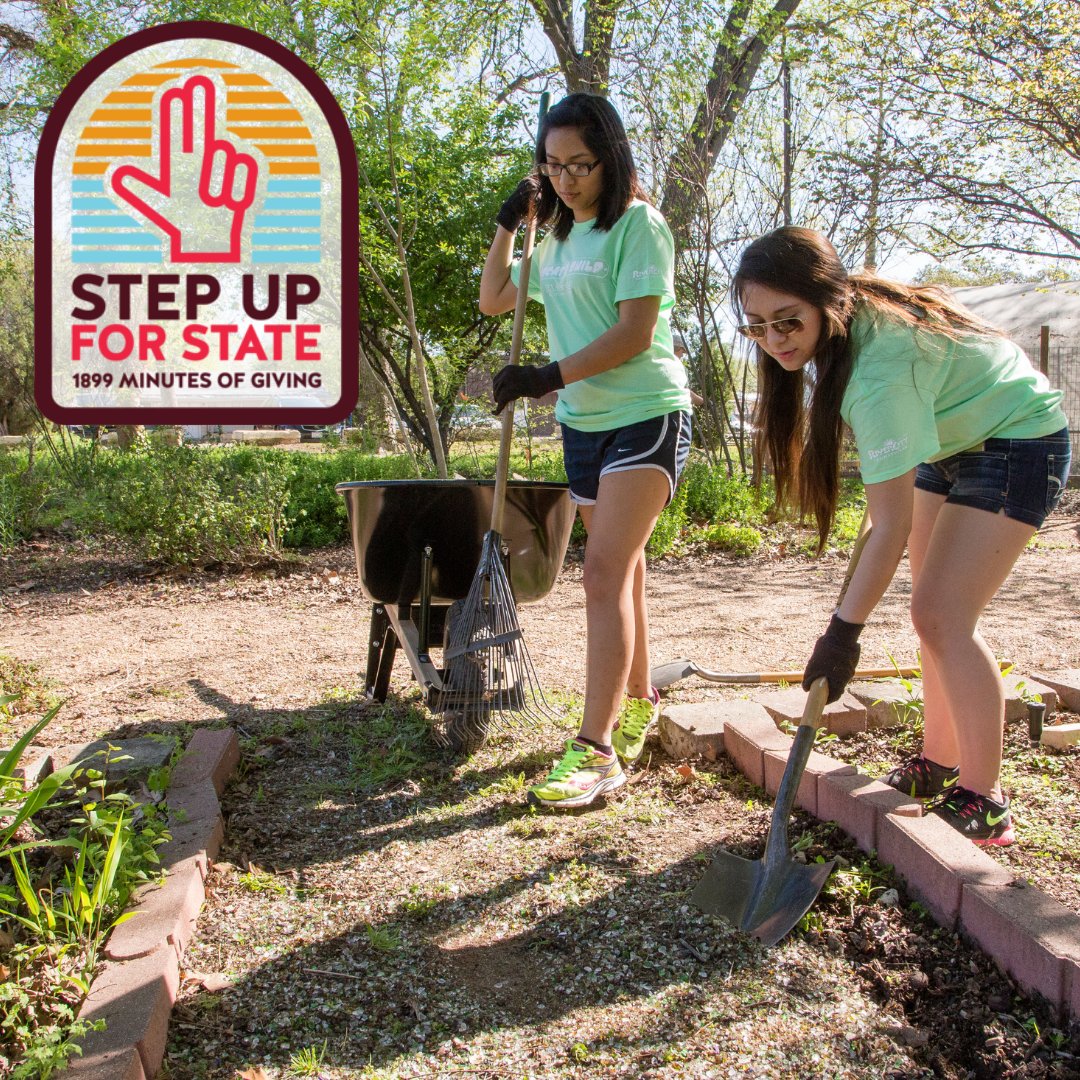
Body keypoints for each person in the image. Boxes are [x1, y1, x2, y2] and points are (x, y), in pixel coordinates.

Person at [733, 226, 1070, 846]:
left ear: (826, 303)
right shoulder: (844, 335)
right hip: (953, 435)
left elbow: (889, 527)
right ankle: (939, 761)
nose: (774, 340)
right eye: (756, 325)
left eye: (788, 322)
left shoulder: (879, 373)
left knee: (943, 614)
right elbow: (880, 522)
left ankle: (986, 799)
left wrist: (842, 635)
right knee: (930, 616)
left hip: (1017, 437)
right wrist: (843, 625)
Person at [479, 93, 692, 809]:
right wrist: (509, 223)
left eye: (581, 164)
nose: (567, 178)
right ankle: (638, 696)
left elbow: (634, 333)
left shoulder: (639, 226)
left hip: (645, 413)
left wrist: (546, 376)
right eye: (553, 165)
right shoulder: (557, 238)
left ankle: (596, 750)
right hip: (585, 423)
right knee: (622, 570)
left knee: (600, 575)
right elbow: (493, 299)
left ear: (610, 156)